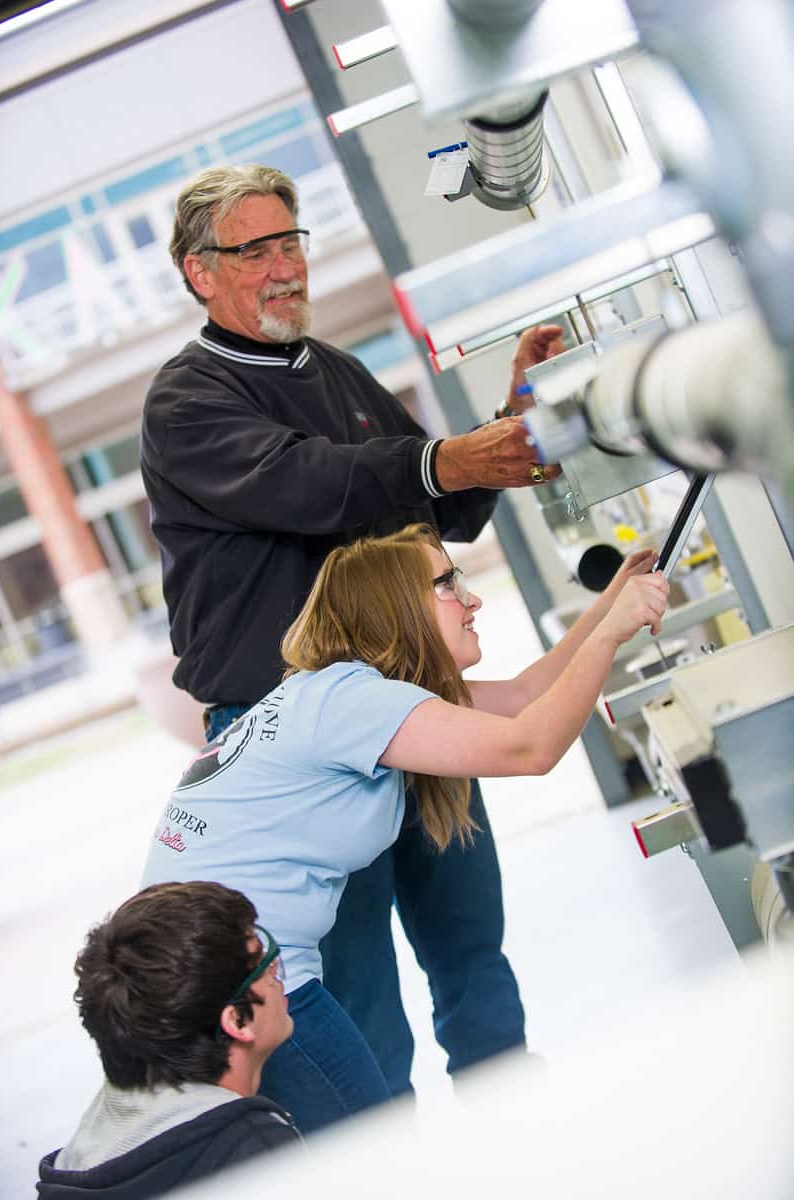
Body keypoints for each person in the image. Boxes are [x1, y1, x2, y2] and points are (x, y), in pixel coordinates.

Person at [140, 161, 564, 1101]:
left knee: (472, 950)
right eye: (255, 250)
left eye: (292, 242)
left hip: (409, 711)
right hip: (292, 734)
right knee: (352, 994)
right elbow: (312, 483)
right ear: (198, 271)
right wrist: (446, 460)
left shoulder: (335, 371)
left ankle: (520, 1139)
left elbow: (439, 512)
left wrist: (508, 429)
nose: (286, 267)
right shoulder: (188, 401)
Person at [140, 523, 668, 1133]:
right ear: (395, 608)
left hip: (206, 966)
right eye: (446, 584)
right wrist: (611, 631)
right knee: (371, 1148)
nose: (471, 599)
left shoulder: (349, 693)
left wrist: (609, 603)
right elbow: (531, 747)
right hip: (230, 977)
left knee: (361, 1143)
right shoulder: (352, 702)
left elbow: (525, 696)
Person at [36, 881, 301, 1199]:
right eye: (265, 965)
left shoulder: (75, 1166)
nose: (277, 975)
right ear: (237, 1021)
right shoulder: (259, 1154)